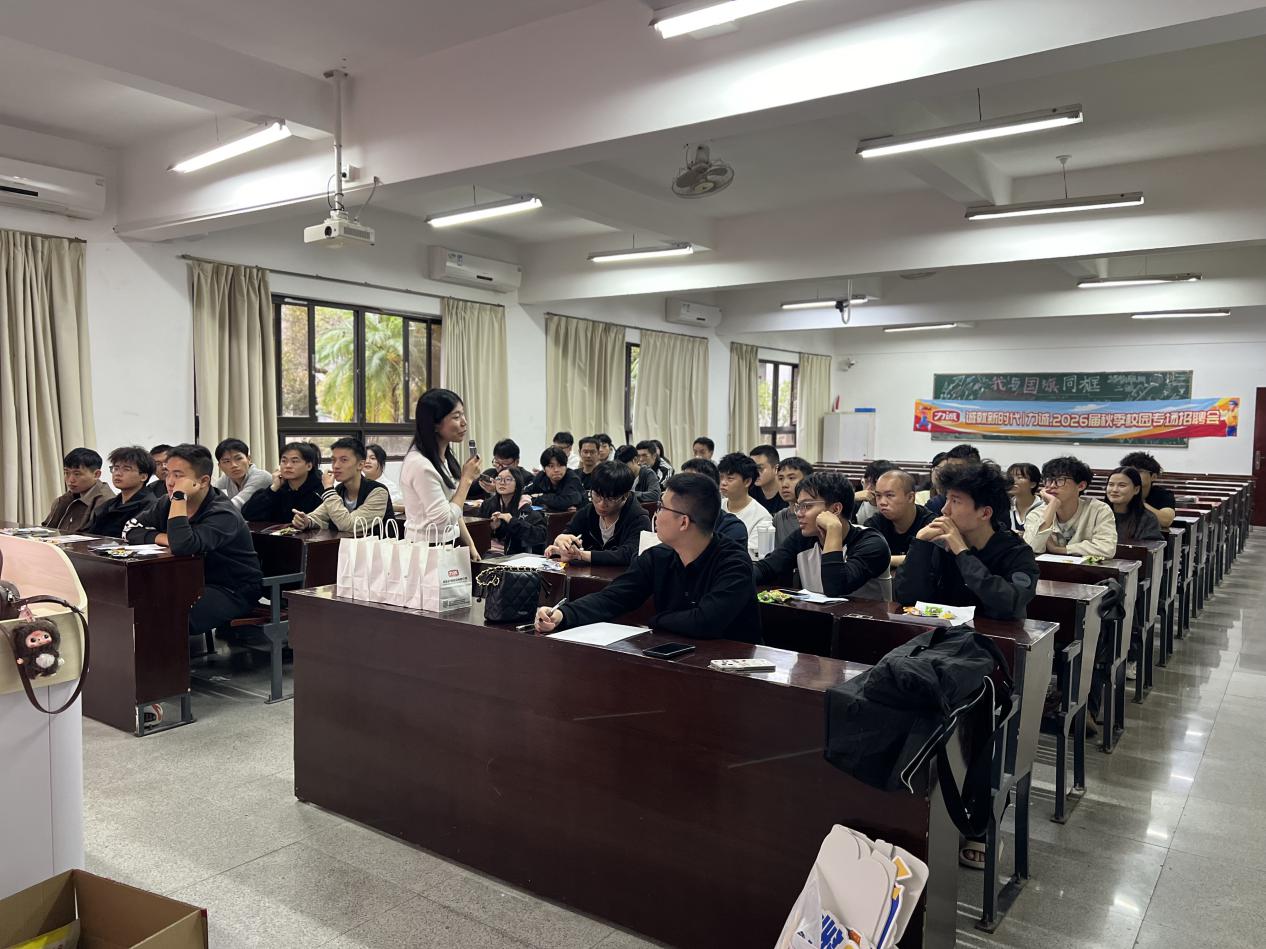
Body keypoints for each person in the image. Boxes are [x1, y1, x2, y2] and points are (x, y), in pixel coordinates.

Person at [534, 473, 762, 643]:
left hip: (734, 669)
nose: (655, 514)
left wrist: (655, 620)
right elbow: (614, 597)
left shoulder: (734, 563)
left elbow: (705, 622)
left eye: (661, 507)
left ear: (683, 522)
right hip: (675, 655)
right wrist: (563, 614)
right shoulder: (658, 557)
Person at [123, 444, 262, 636]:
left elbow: (183, 546)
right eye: (168, 473)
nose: (170, 481)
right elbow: (129, 529)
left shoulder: (222, 513)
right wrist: (165, 538)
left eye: (178, 475)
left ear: (203, 481)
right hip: (188, 580)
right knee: (135, 601)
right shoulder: (166, 502)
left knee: (167, 613)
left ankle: (169, 656)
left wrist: (179, 498)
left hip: (232, 589)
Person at [896, 460, 1038, 620]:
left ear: (985, 513)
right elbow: (907, 598)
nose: (944, 510)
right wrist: (920, 544)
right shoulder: (940, 544)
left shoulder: (1018, 553)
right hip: (943, 632)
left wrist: (962, 553)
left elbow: (1008, 603)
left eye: (955, 501)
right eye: (946, 499)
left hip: (993, 634)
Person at [753, 472, 892, 600]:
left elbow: (835, 587)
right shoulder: (802, 538)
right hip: (818, 617)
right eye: (798, 506)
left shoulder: (872, 543)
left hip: (867, 619)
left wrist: (833, 530)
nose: (799, 514)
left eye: (807, 506)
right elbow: (767, 568)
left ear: (835, 509)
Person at [400, 388, 483, 545]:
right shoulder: (420, 465)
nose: (464, 422)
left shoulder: (442, 458)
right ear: (435, 424)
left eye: (463, 414)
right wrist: (466, 479)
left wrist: (470, 545)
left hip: (447, 542)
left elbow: (454, 507)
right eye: (456, 417)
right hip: (427, 547)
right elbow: (445, 520)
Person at [545, 462, 651, 567]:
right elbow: (569, 534)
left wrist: (581, 555)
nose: (602, 504)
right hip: (588, 575)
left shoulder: (639, 519)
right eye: (597, 495)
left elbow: (628, 554)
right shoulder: (587, 512)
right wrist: (561, 543)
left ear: (625, 496)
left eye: (610, 499)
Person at [1024, 456, 1118, 558]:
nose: (1052, 485)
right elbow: (1030, 549)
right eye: (1048, 480)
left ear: (1081, 486)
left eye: (1060, 480)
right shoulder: (1037, 513)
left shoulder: (1099, 510)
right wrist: (1052, 505)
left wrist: (1059, 550)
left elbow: (1107, 549)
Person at [293, 437, 394, 532]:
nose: (336, 466)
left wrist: (328, 488)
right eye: (333, 460)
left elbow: (348, 525)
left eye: (344, 460)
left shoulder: (378, 491)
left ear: (360, 465)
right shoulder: (340, 490)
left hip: (376, 545)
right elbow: (318, 516)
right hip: (345, 545)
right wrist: (306, 521)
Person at [866, 469, 934, 579]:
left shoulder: (930, 524)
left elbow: (928, 561)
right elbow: (865, 557)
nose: (882, 502)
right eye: (878, 496)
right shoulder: (875, 523)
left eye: (889, 495)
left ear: (910, 497)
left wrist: (886, 560)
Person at [241, 442, 325, 523]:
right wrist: (273, 489)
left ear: (309, 466)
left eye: (294, 461)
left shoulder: (321, 491)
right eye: (284, 461)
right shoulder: (277, 489)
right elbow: (248, 515)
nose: (288, 466)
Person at [87, 446, 156, 538]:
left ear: (143, 477)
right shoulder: (108, 506)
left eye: (126, 469)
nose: (117, 473)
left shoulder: (151, 507)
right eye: (116, 468)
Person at [680, 457, 748, 547]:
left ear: (711, 490)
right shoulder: (678, 518)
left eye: (689, 485)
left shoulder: (732, 527)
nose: (682, 491)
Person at [42, 448, 113, 533]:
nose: (70, 480)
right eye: (67, 473)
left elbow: (97, 538)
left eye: (77, 474)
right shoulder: (65, 499)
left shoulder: (106, 502)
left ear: (96, 474)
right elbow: (47, 528)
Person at [478, 468, 546, 555]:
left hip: (514, 556)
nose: (502, 483)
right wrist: (494, 528)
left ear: (517, 484)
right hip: (487, 551)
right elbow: (479, 531)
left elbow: (540, 535)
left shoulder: (525, 508)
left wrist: (512, 521)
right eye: (499, 478)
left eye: (508, 479)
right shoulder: (488, 504)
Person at [717, 452, 772, 555]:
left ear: (747, 482)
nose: (723, 483)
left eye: (730, 478)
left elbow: (752, 555)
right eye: (721, 477)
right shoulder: (716, 507)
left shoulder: (762, 517)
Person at [1119, 451, 1177, 528]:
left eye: (1139, 471)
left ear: (1153, 477)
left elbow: (1166, 521)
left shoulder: (1163, 495)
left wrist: (1138, 503)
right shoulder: (1118, 491)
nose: (1132, 475)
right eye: (1128, 471)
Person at [1105, 467, 1164, 543]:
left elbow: (1150, 547)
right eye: (1111, 485)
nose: (1114, 490)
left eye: (1122, 485)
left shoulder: (1148, 519)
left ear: (1136, 489)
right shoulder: (1098, 513)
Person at [213, 438, 272, 511]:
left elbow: (236, 505)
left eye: (238, 459)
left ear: (249, 459)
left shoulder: (261, 477)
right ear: (220, 466)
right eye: (227, 461)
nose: (233, 465)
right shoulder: (227, 477)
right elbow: (208, 497)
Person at [925, 445, 979, 516]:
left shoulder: (986, 499)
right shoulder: (936, 503)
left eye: (958, 468)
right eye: (949, 468)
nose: (951, 473)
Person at [773, 457, 814, 546]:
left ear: (807, 480)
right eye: (780, 478)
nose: (784, 485)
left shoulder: (814, 516)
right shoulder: (779, 517)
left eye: (791, 478)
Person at [852, 459, 897, 524]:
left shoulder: (895, 506)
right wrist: (851, 498)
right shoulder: (857, 502)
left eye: (875, 483)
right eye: (866, 482)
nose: (868, 488)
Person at [362, 444, 404, 511]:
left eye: (372, 458)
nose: (367, 461)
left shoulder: (389, 487)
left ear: (382, 462)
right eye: (364, 458)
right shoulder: (356, 484)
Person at [748, 445, 787, 515]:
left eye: (760, 468)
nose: (754, 473)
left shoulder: (787, 492)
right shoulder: (749, 491)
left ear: (776, 469)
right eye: (752, 468)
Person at [1007, 462, 1044, 533]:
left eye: (1019, 477)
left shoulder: (1044, 508)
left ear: (1033, 484)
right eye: (1011, 477)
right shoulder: (1005, 507)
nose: (1013, 481)